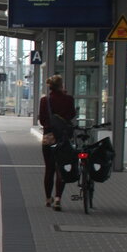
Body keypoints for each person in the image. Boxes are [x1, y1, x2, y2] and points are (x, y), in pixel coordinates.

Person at [38, 74, 76, 211]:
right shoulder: (68, 99)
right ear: (61, 85)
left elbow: (42, 120)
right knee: (61, 167)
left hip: (48, 137)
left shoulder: (45, 100)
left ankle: (48, 199)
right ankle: (58, 198)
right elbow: (72, 115)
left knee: (49, 168)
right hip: (63, 138)